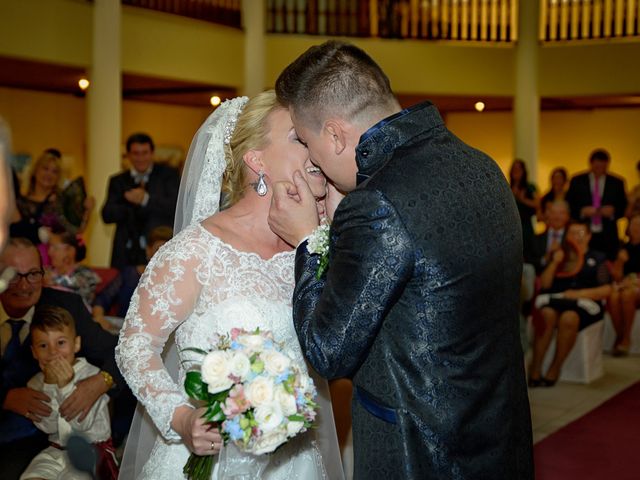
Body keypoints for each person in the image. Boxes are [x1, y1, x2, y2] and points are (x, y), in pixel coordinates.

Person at [268, 41, 533, 479]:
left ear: (334, 134)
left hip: (418, 451)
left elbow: (328, 353)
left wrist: (306, 241)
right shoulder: (480, 164)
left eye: (307, 141)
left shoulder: (375, 202)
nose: (311, 158)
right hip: (499, 430)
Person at [115, 92, 343, 479]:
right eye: (298, 138)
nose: (313, 147)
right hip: (211, 458)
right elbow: (135, 346)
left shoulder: (316, 247)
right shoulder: (195, 250)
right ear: (256, 160)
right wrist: (181, 417)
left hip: (296, 463)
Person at [0, 238, 131, 479]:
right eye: (13, 275)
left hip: (46, 438)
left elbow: (120, 351)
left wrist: (101, 381)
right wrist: (5, 398)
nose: (24, 285)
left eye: (33, 274)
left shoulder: (65, 307)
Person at [20, 305, 118, 480]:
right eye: (43, 345)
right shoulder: (35, 382)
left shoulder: (92, 376)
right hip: (55, 450)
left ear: (76, 344)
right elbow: (48, 426)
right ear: (34, 352)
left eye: (61, 343)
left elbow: (83, 424)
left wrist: (65, 386)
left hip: (92, 450)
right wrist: (50, 384)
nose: (53, 352)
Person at [529, 221, 612, 386]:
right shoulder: (561, 256)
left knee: (569, 318)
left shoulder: (597, 258)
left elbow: (606, 289)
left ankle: (555, 368)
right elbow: (544, 284)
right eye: (572, 233)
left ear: (588, 236)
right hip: (556, 301)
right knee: (546, 315)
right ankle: (535, 368)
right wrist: (554, 261)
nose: (576, 237)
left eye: (580, 233)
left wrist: (577, 294)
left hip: (585, 306)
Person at [101, 133, 180, 269]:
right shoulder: (118, 181)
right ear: (129, 155)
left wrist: (146, 200)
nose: (140, 158)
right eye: (136, 153)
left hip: (158, 249)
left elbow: (175, 207)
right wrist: (128, 202)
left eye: (145, 153)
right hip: (126, 253)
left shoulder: (168, 175)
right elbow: (106, 215)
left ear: (152, 153)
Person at [92, 225, 173, 329]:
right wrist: (99, 318)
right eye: (158, 250)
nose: (163, 255)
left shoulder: (175, 280)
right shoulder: (129, 274)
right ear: (148, 250)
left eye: (167, 251)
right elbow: (102, 300)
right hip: (121, 329)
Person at [11, 150, 95, 246]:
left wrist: (88, 212)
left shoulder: (63, 202)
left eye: (54, 171)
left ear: (58, 176)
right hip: (27, 256)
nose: (49, 174)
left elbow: (76, 230)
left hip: (56, 256)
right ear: (35, 170)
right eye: (45, 169)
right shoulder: (20, 202)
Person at [565, 148, 627, 261]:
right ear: (591, 163)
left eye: (603, 167)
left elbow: (623, 207)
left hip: (608, 233)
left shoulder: (617, 182)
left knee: (607, 263)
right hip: (583, 231)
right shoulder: (577, 180)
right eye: (597, 166)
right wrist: (582, 211)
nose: (600, 170)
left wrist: (612, 213)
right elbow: (569, 204)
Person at [607, 213, 640, 355]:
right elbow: (616, 276)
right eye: (633, 224)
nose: (636, 228)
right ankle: (620, 335)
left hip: (636, 286)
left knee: (627, 295)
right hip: (624, 283)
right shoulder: (622, 247)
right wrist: (620, 261)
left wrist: (634, 281)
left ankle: (625, 338)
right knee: (613, 296)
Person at [45, 230, 100, 310]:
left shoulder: (85, 274)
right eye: (49, 247)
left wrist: (51, 280)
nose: (49, 252)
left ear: (70, 251)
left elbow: (74, 283)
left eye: (55, 248)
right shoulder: (47, 271)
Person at [510, 159, 540, 261]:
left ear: (523, 171)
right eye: (514, 168)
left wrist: (523, 199)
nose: (516, 171)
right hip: (512, 225)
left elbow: (537, 204)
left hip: (526, 226)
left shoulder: (530, 187)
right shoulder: (508, 186)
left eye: (518, 169)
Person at [529, 200, 571, 272]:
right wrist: (545, 259)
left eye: (561, 213)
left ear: (568, 216)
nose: (557, 217)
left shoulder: (572, 236)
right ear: (547, 215)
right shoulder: (535, 239)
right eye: (553, 213)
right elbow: (529, 262)